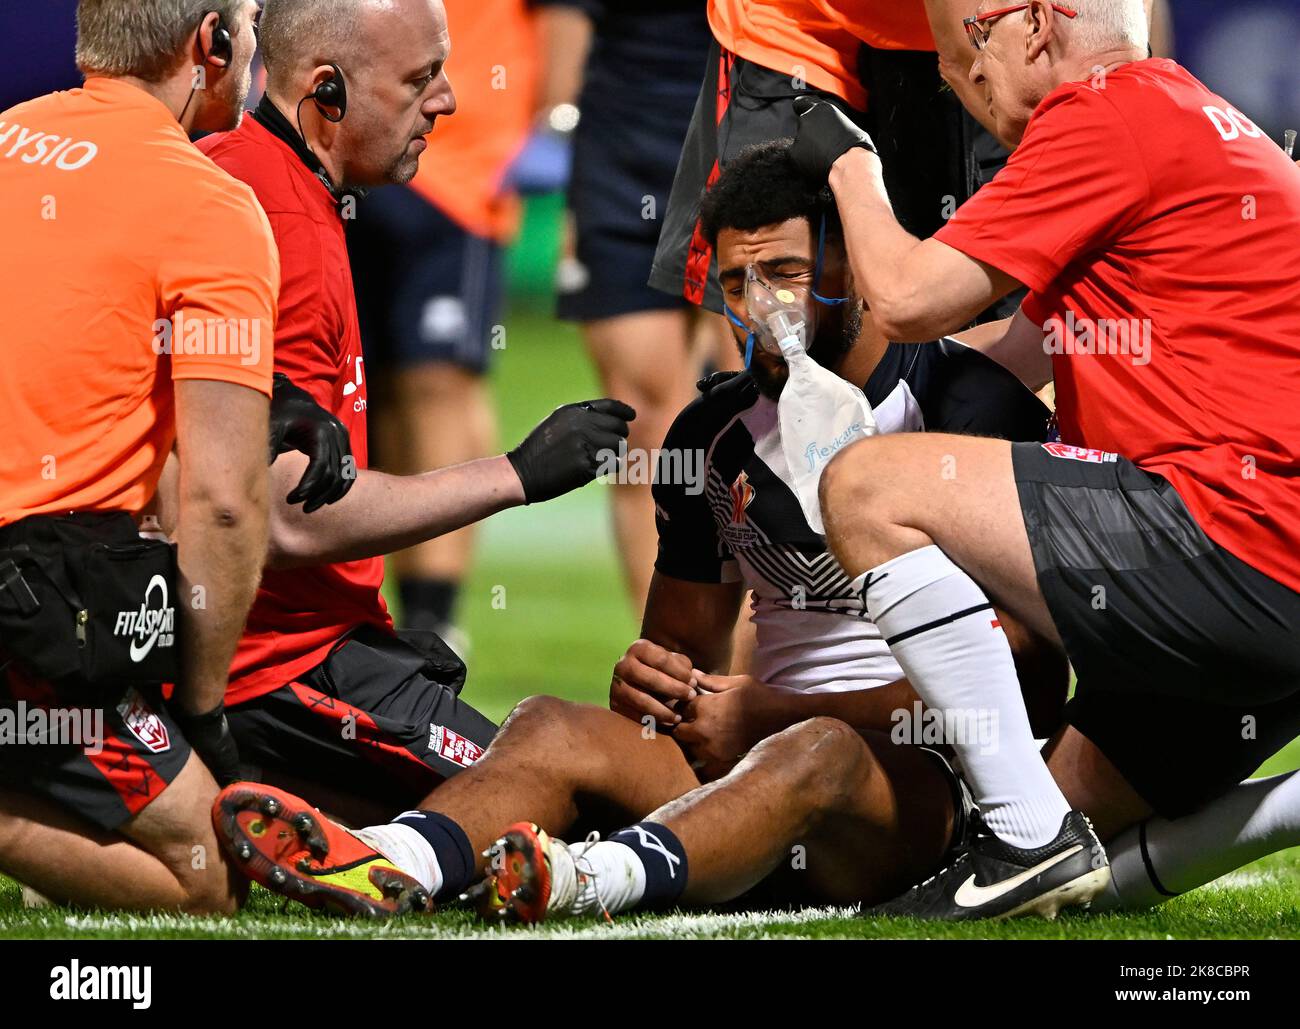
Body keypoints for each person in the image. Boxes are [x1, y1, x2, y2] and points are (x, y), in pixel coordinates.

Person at [205, 141, 1067, 919]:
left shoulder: (971, 408)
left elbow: (1029, 676)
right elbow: (679, 650)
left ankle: (585, 877)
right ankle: (388, 862)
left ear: (852, 262)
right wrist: (658, 687)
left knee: (819, 750)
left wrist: (776, 708)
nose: (761, 306)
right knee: (549, 721)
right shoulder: (711, 434)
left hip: (919, 793)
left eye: (786, 271)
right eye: (736, 282)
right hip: (757, 761)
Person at [788, 0, 1300, 919]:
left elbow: (905, 299)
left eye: (966, 57)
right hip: (1273, 581)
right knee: (1077, 842)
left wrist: (845, 159)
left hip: (1233, 539)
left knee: (865, 489)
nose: (963, 87)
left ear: (1032, 26)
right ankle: (1054, 840)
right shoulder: (1197, 124)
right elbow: (998, 352)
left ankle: (1031, 840)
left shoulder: (1101, 113)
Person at [195, 0, 634, 827]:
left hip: (259, 652)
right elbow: (289, 523)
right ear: (327, 91)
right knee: (572, 795)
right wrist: (517, 474)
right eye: (420, 79)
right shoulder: (283, 224)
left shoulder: (247, 172)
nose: (450, 101)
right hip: (282, 673)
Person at [0, 0, 276, 913]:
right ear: (213, 41)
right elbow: (226, 502)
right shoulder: (211, 206)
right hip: (24, 607)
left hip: (38, 584)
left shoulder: (7, 136)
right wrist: (201, 711)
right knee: (210, 878)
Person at [346, 0, 539, 647]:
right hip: (335, 138)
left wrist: (555, 123)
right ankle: (347, 603)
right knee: (345, 384)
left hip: (458, 155)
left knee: (438, 380)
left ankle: (431, 621)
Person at [542, 0, 718, 614]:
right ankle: (667, 649)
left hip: (750, 147)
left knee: (763, 412)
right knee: (641, 424)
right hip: (621, 161)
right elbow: (566, 20)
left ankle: (761, 662)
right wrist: (557, 142)